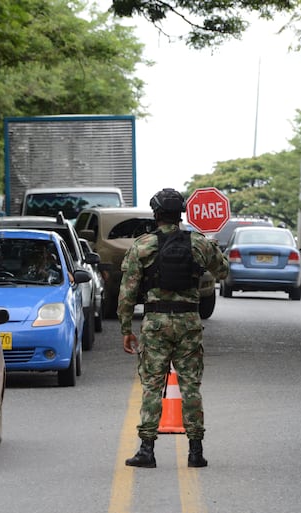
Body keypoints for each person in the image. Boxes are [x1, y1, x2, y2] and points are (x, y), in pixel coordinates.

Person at [118, 188, 229, 468]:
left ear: (155, 214)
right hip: (189, 324)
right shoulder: (199, 243)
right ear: (180, 214)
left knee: (152, 386)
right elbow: (224, 272)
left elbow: (127, 293)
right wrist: (213, 247)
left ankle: (147, 450)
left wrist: (125, 329)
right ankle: (195, 451)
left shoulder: (142, 246)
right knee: (191, 385)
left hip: (155, 325)